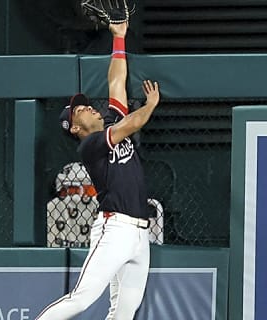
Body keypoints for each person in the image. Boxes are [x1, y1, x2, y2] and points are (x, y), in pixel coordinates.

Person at [35, 21, 160, 320]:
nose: (88, 107)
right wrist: (150, 105)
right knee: (82, 298)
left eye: (86, 105)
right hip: (114, 229)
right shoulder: (89, 145)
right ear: (75, 127)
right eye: (80, 110)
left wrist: (119, 39)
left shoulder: (109, 117)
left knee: (124, 312)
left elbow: (116, 82)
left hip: (141, 234)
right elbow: (132, 124)